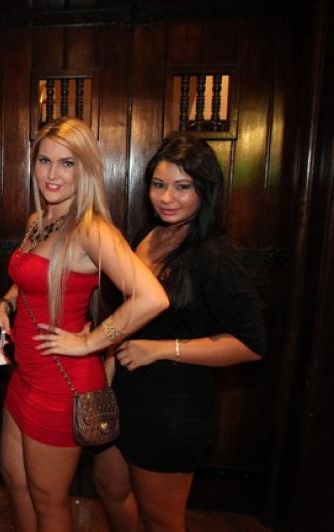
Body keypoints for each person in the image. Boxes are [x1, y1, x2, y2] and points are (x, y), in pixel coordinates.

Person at [0, 117, 169, 532]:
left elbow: (152, 297)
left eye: (67, 163)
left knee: (48, 499)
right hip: (25, 374)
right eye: (44, 161)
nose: (52, 174)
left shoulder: (91, 229)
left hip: (61, 383)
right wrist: (4, 304)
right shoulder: (38, 221)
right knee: (15, 481)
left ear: (84, 168)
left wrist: (90, 342)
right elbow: (28, 277)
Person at [92, 134, 267, 532]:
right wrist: (110, 354)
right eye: (159, 185)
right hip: (125, 394)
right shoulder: (146, 236)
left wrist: (161, 349)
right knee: (109, 488)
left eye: (182, 187)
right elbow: (128, 309)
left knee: (161, 519)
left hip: (172, 407)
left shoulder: (214, 255)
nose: (167, 198)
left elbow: (251, 345)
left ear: (205, 191)